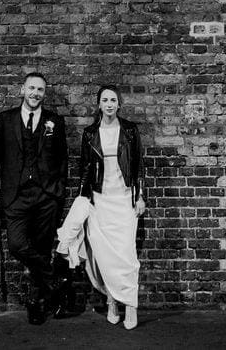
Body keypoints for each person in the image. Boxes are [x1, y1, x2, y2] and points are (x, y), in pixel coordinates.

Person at [0, 72, 69, 325]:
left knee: (41, 249)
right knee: (17, 245)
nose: (36, 93)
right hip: (16, 196)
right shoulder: (7, 119)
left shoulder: (55, 121)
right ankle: (55, 279)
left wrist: (57, 193)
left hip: (46, 197)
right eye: (32, 88)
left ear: (44, 94)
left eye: (41, 90)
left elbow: (62, 160)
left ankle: (36, 304)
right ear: (22, 90)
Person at [78, 84, 146, 330]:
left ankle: (130, 305)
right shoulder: (89, 133)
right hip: (100, 199)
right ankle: (111, 302)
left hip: (124, 199)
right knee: (104, 255)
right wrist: (83, 200)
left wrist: (139, 197)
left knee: (126, 254)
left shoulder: (129, 130)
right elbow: (84, 170)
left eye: (113, 100)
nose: (109, 104)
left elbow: (138, 166)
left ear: (119, 104)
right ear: (99, 104)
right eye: (105, 100)